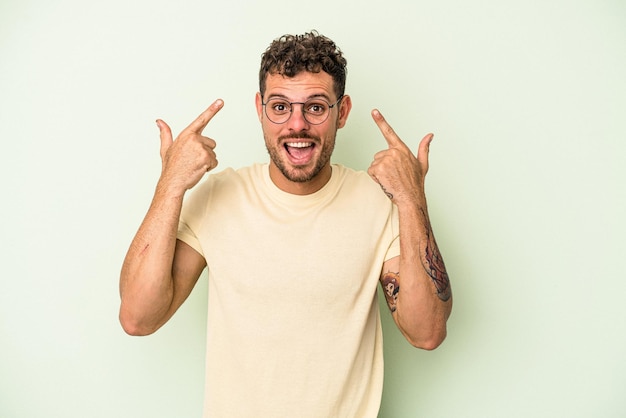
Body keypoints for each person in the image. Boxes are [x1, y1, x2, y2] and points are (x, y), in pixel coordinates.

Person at [119, 30, 452, 418]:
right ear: (260, 108)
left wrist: (411, 198)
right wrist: (171, 184)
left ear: (341, 113)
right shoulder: (218, 197)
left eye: (315, 107)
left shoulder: (379, 202)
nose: (297, 125)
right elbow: (138, 317)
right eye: (280, 106)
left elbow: (427, 332)